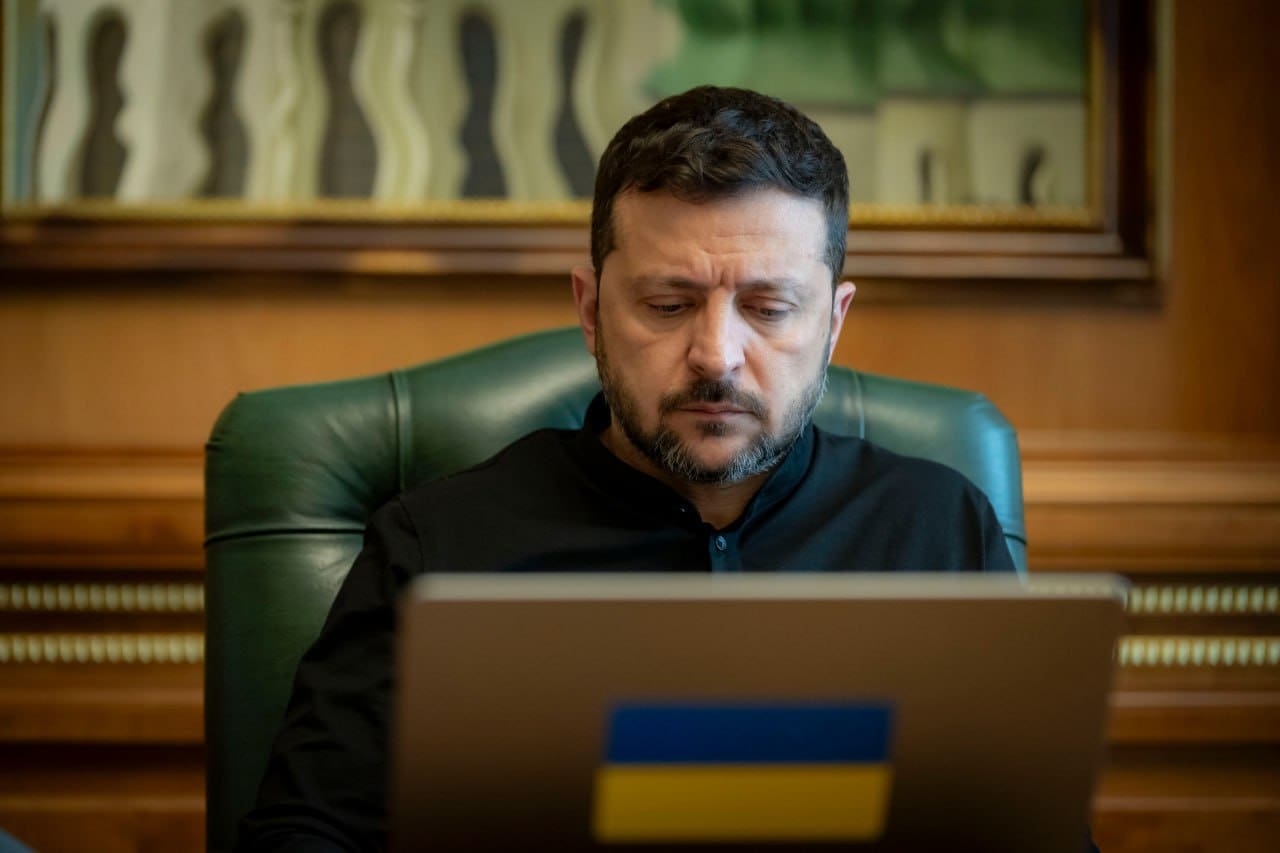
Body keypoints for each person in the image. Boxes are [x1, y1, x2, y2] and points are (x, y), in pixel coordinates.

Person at [237, 85, 1027, 852]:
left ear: (833, 321)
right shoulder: (438, 547)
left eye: (769, 308)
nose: (716, 355)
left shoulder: (941, 529)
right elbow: (304, 831)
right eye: (668, 304)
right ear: (590, 311)